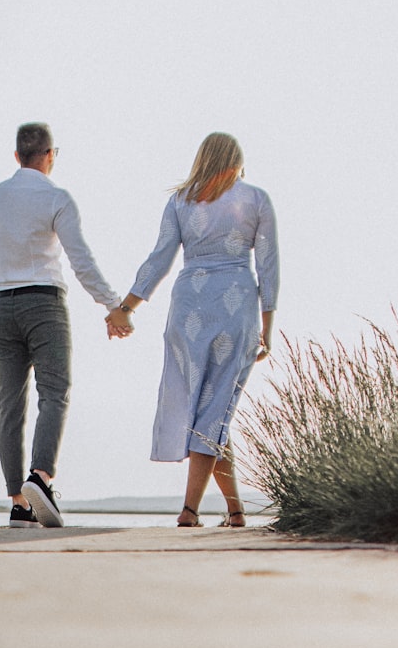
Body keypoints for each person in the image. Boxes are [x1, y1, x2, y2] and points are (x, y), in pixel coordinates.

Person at [105, 132, 279, 527]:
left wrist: (126, 307)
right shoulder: (256, 199)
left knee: (210, 411)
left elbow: (160, 257)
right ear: (237, 161)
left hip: (188, 310)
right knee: (215, 409)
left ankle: (235, 513)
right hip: (235, 308)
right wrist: (268, 324)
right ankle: (190, 511)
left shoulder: (180, 201)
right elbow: (268, 266)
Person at [0, 122, 123, 528]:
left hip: (4, 307)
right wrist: (113, 305)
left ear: (17, 156)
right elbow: (80, 260)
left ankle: (19, 503)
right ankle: (40, 477)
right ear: (51, 155)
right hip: (46, 305)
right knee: (55, 392)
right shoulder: (56, 198)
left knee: (9, 406)